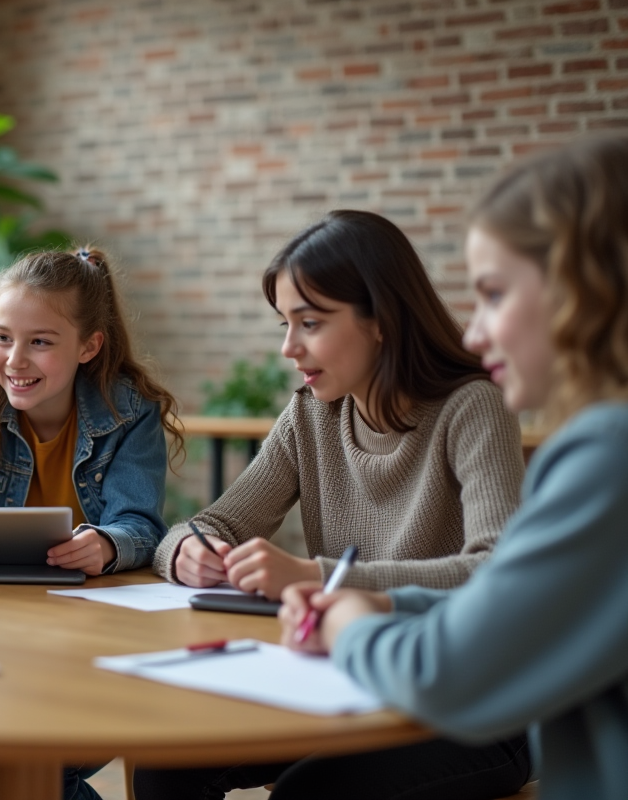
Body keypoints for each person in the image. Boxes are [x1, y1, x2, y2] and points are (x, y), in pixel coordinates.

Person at [136, 210, 532, 799]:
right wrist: (187, 552)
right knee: (166, 766)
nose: (288, 347)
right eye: (285, 323)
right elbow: (211, 522)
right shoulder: (312, 413)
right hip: (355, 678)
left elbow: (498, 573)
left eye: (310, 323)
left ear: (381, 321)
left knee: (311, 794)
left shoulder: (473, 406)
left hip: (478, 701)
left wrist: (318, 577)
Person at [279, 135, 628, 800]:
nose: (474, 333)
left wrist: (349, 624)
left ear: (585, 292)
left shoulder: (606, 456)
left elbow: (442, 670)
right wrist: (384, 602)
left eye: (494, 294)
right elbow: (521, 603)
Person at [0, 248, 184, 800]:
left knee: (5, 757)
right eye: (3, 337)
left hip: (100, 647)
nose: (15, 360)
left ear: (88, 346)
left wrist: (105, 544)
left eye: (41, 342)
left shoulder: (130, 410)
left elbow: (139, 525)